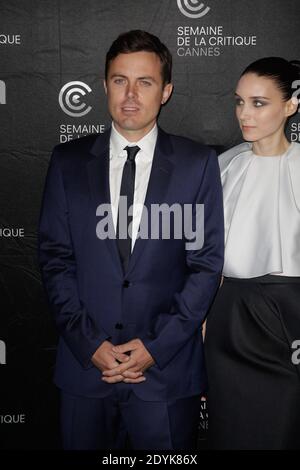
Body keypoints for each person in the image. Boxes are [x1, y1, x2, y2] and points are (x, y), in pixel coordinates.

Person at [38, 29, 224, 450]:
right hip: (86, 372)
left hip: (166, 374)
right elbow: (55, 260)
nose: (131, 95)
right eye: (120, 80)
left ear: (166, 91)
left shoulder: (197, 165)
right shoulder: (67, 163)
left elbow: (205, 266)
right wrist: (90, 345)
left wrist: (155, 347)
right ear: (104, 86)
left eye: (146, 82)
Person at [205, 57, 300, 450]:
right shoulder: (224, 167)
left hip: (291, 319)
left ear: (291, 105)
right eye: (239, 101)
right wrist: (204, 322)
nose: (244, 113)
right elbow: (210, 259)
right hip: (230, 320)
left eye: (258, 103)